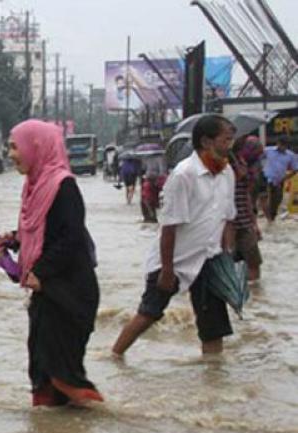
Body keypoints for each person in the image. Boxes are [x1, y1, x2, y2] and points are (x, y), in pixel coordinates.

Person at [113, 115, 237, 357]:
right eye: (226, 140)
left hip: (210, 259)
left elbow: (227, 218)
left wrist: (226, 257)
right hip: (174, 260)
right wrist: (168, 270)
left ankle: (213, 378)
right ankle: (115, 356)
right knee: (149, 313)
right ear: (206, 141)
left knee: (213, 327)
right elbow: (169, 227)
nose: (230, 146)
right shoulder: (183, 175)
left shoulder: (226, 172)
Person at [3, 119, 103, 407]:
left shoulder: (63, 186)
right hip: (49, 291)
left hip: (70, 294)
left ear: (36, 147)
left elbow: (71, 238)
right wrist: (14, 239)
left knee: (64, 375)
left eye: (15, 147)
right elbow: (42, 232)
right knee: (43, 375)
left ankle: (111, 423)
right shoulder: (33, 187)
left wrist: (40, 271)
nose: (11, 154)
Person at [232, 136, 264, 281]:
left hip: (245, 223)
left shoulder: (246, 166)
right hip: (226, 226)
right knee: (228, 266)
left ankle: (253, 300)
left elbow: (247, 198)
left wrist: (254, 224)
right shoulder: (224, 166)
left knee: (254, 264)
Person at [261, 137, 295, 223]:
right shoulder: (268, 150)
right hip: (266, 178)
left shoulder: (290, 155)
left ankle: (272, 216)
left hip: (279, 180)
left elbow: (295, 169)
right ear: (278, 143)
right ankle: (268, 219)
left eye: (285, 146)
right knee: (266, 199)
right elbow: (257, 158)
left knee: (277, 200)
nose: (283, 147)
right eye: (281, 145)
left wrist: (286, 177)